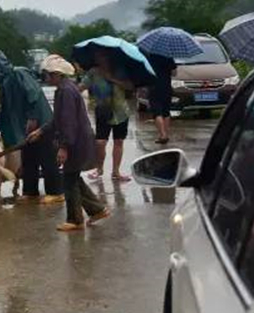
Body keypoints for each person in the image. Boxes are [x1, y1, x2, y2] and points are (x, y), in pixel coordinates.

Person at [27, 55, 110, 232]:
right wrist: (41, 131)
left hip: (75, 141)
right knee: (73, 178)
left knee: (69, 180)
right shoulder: (65, 89)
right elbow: (57, 119)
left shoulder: (65, 91)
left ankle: (75, 220)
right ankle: (97, 209)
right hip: (78, 138)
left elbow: (68, 122)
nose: (46, 78)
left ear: (57, 74)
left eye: (47, 75)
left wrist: (64, 147)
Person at [0, 51, 64, 204]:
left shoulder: (18, 74)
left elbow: (33, 94)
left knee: (47, 159)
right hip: (26, 129)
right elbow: (4, 112)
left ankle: (56, 192)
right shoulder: (5, 85)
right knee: (29, 160)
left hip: (41, 124)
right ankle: (30, 192)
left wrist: (33, 117)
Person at [79, 48, 133, 182]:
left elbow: (130, 86)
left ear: (108, 57)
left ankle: (116, 171)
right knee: (100, 142)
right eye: (97, 57)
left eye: (102, 56)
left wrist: (112, 79)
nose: (99, 59)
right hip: (103, 110)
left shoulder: (120, 70)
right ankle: (99, 168)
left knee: (118, 141)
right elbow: (82, 86)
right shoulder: (93, 72)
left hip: (121, 111)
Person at [146, 52, 177, 144]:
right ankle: (166, 135)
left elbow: (146, 71)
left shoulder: (150, 57)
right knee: (166, 112)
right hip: (166, 87)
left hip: (154, 87)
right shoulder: (168, 56)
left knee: (157, 112)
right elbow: (174, 73)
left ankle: (162, 135)